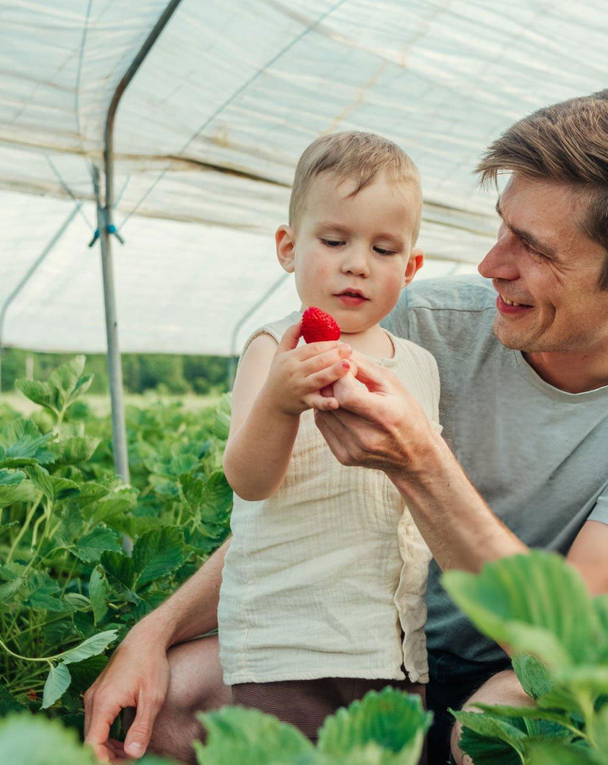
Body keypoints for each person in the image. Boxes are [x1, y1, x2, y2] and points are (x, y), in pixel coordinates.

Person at [83, 88, 608, 765]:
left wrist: (419, 460)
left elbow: (562, 643)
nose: (492, 265)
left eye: (535, 249)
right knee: (157, 708)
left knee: (510, 732)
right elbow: (305, 506)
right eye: (502, 226)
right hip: (359, 637)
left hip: (509, 668)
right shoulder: (418, 324)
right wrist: (156, 628)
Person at [216, 131, 439, 737]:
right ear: (289, 247)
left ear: (411, 267)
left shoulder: (419, 365)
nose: (357, 263)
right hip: (288, 638)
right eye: (334, 240)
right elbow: (250, 481)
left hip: (391, 645)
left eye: (384, 248)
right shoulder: (275, 348)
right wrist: (280, 403)